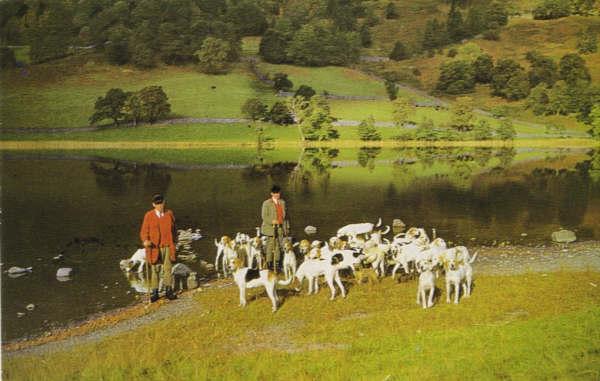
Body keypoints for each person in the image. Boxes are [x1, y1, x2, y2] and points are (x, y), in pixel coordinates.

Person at [140, 194, 177, 302]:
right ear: (153, 205)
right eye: (157, 203)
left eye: (161, 203)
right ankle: (155, 292)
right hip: (154, 247)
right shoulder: (149, 215)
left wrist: (174, 241)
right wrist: (145, 241)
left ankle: (168, 290)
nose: (160, 205)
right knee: (155, 269)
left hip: (167, 245)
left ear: (164, 202)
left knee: (167, 268)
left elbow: (174, 229)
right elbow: (143, 231)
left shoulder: (169, 214)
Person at [261, 185, 289, 272]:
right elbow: (264, 216)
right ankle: (269, 264)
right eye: (275, 193)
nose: (277, 195)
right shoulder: (266, 203)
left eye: (278, 193)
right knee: (270, 246)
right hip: (270, 228)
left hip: (280, 228)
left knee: (278, 246)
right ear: (272, 193)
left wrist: (286, 227)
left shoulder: (282, 202)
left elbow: (285, 217)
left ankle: (277, 263)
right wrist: (271, 221)